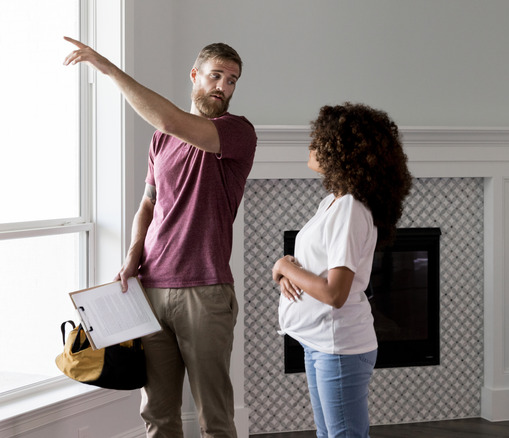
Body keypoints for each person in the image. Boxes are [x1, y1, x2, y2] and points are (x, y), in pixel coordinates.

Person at [64, 37, 256, 438]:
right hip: (150, 290)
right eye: (216, 75)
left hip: (205, 291)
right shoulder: (160, 141)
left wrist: (108, 69)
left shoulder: (236, 132)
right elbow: (149, 204)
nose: (223, 87)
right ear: (195, 75)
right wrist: (134, 253)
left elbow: (170, 119)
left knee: (215, 418)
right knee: (157, 413)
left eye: (232, 80)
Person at [272, 103, 412, 438]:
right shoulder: (332, 202)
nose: (311, 146)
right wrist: (289, 269)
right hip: (317, 341)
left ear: (342, 151)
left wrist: (283, 266)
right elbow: (318, 265)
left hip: (338, 346)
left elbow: (335, 293)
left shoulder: (350, 208)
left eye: (319, 140)